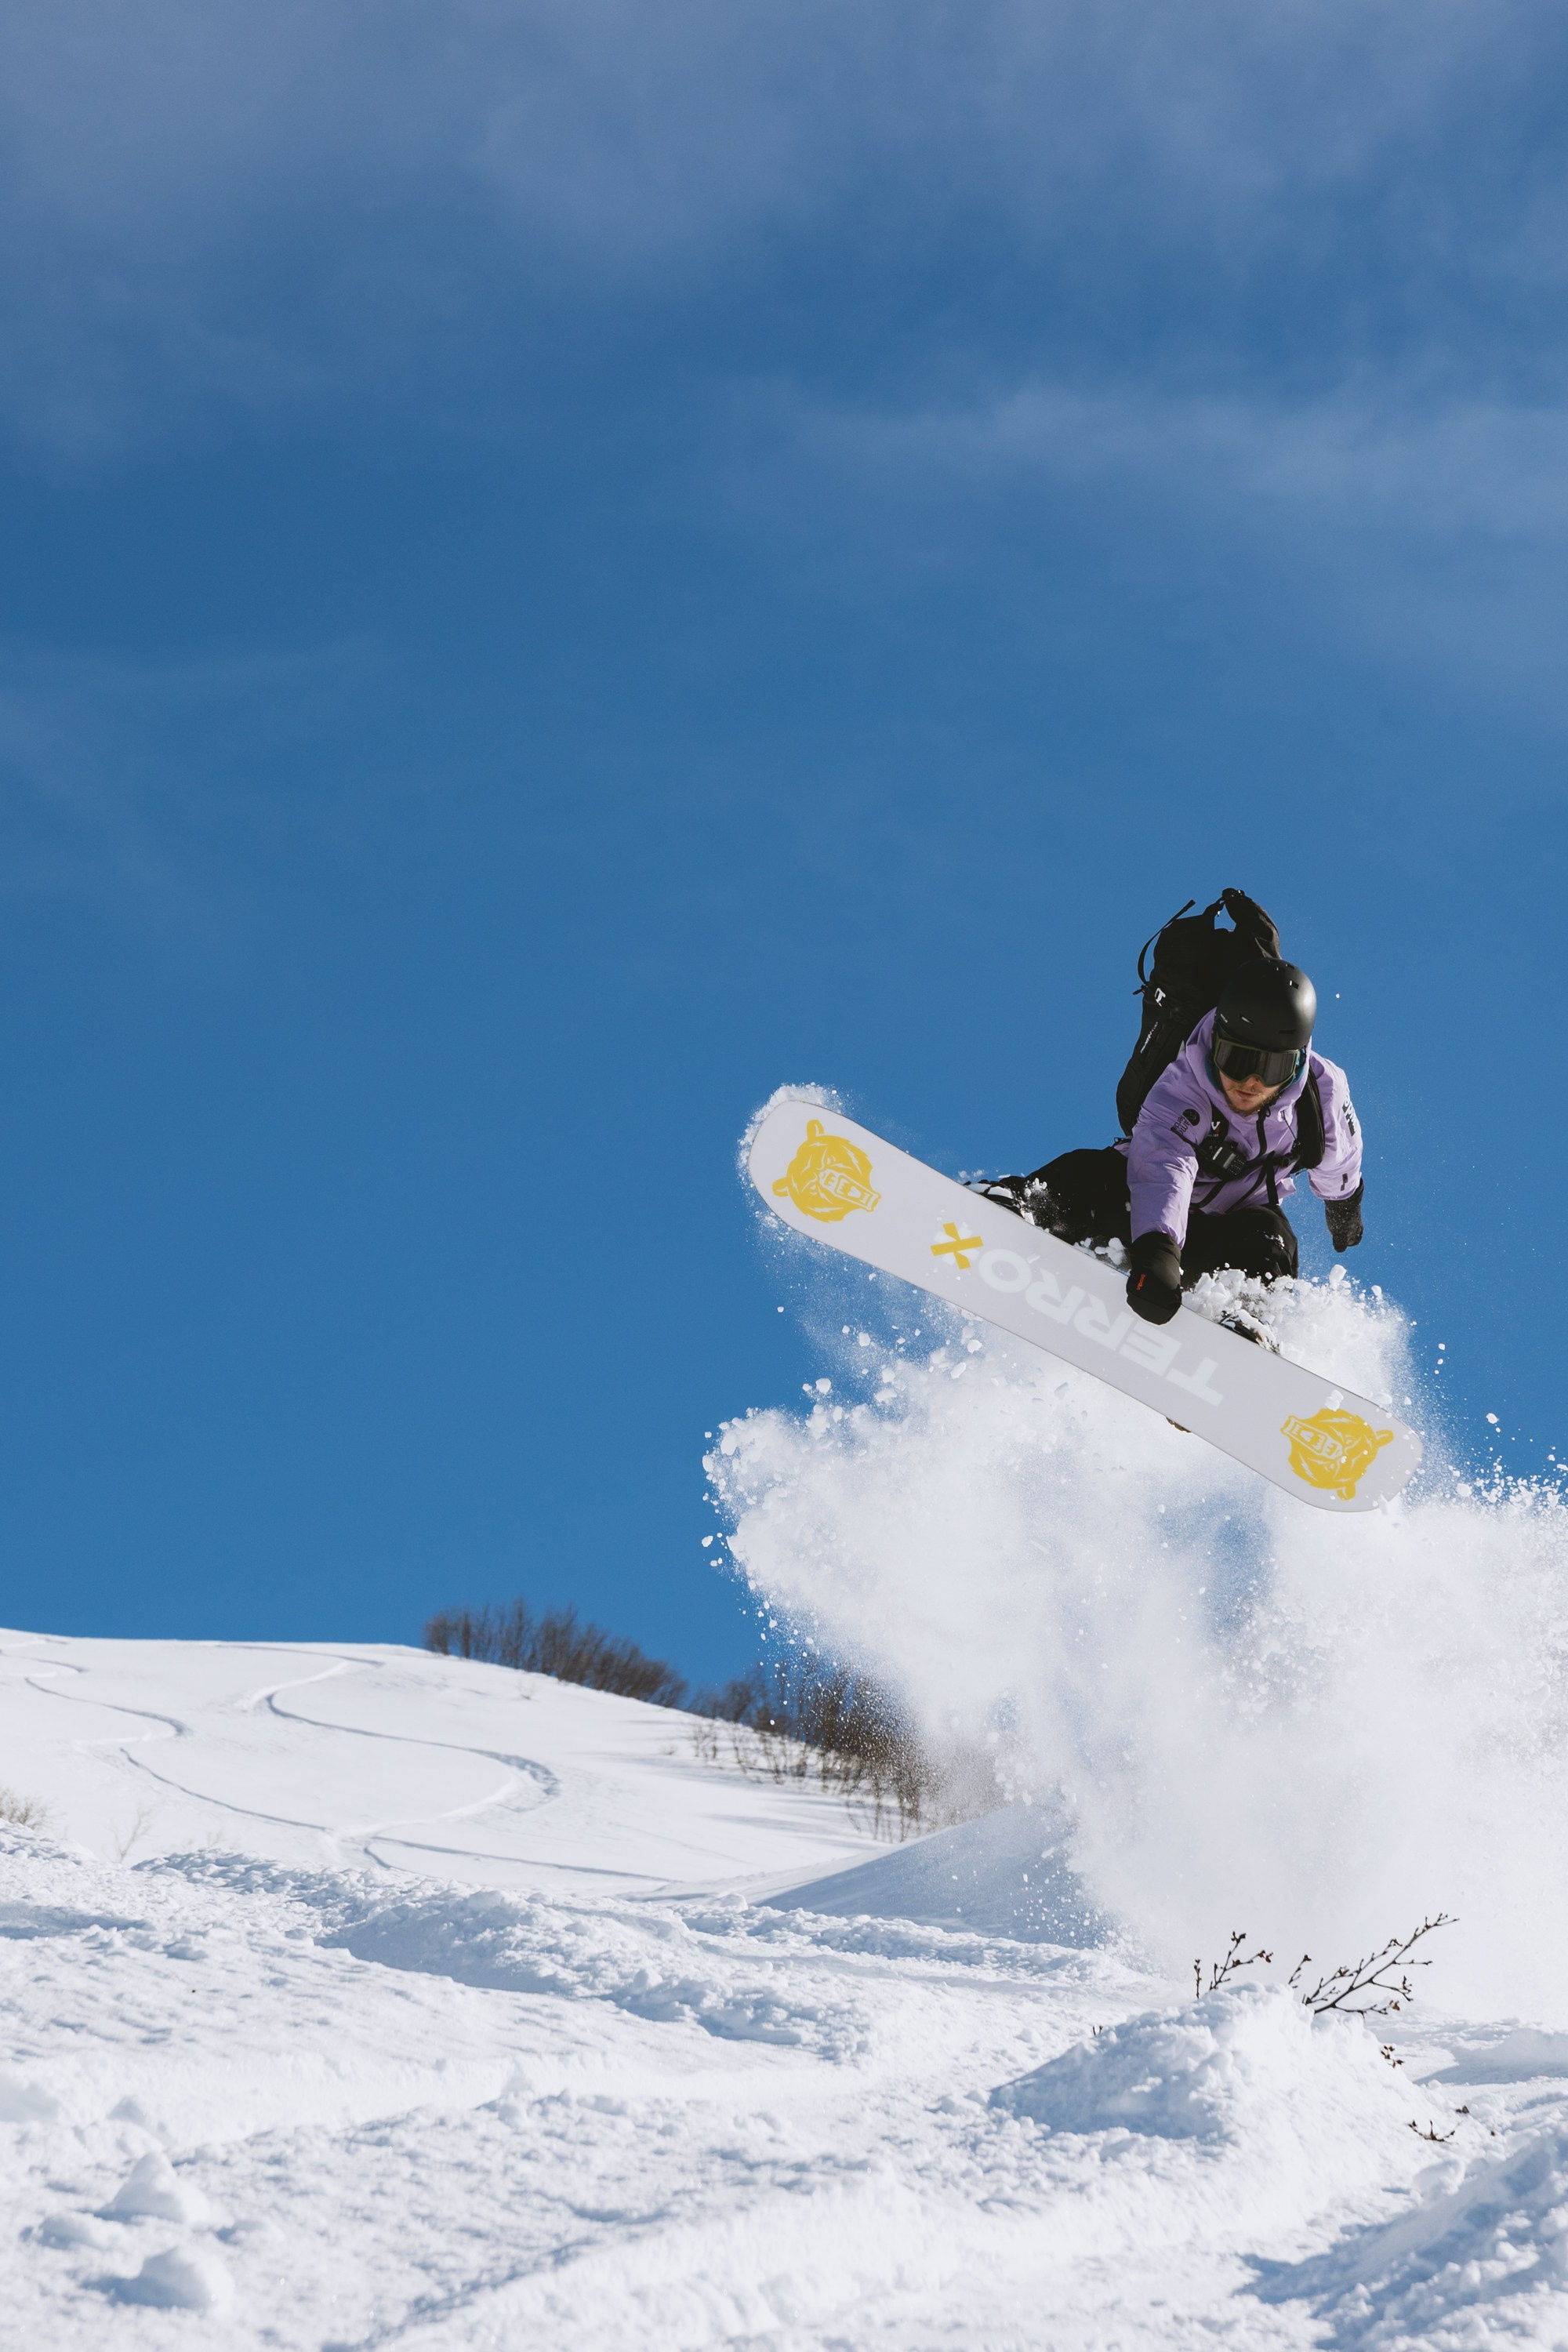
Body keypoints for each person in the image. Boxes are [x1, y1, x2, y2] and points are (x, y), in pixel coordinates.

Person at [982, 956, 1364, 1329]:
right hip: (1143, 1220)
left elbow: (1340, 1153)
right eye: (1237, 1059)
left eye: (1271, 1068)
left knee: (1272, 1240)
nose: (1251, 1082)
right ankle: (1019, 1208)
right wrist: (1158, 1251)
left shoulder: (1322, 1089)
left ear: (1296, 1062)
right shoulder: (1182, 1083)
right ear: (1217, 1044)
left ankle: (1246, 1319)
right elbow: (1165, 1165)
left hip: (1226, 1238)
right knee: (1087, 1170)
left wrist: (1344, 1203)